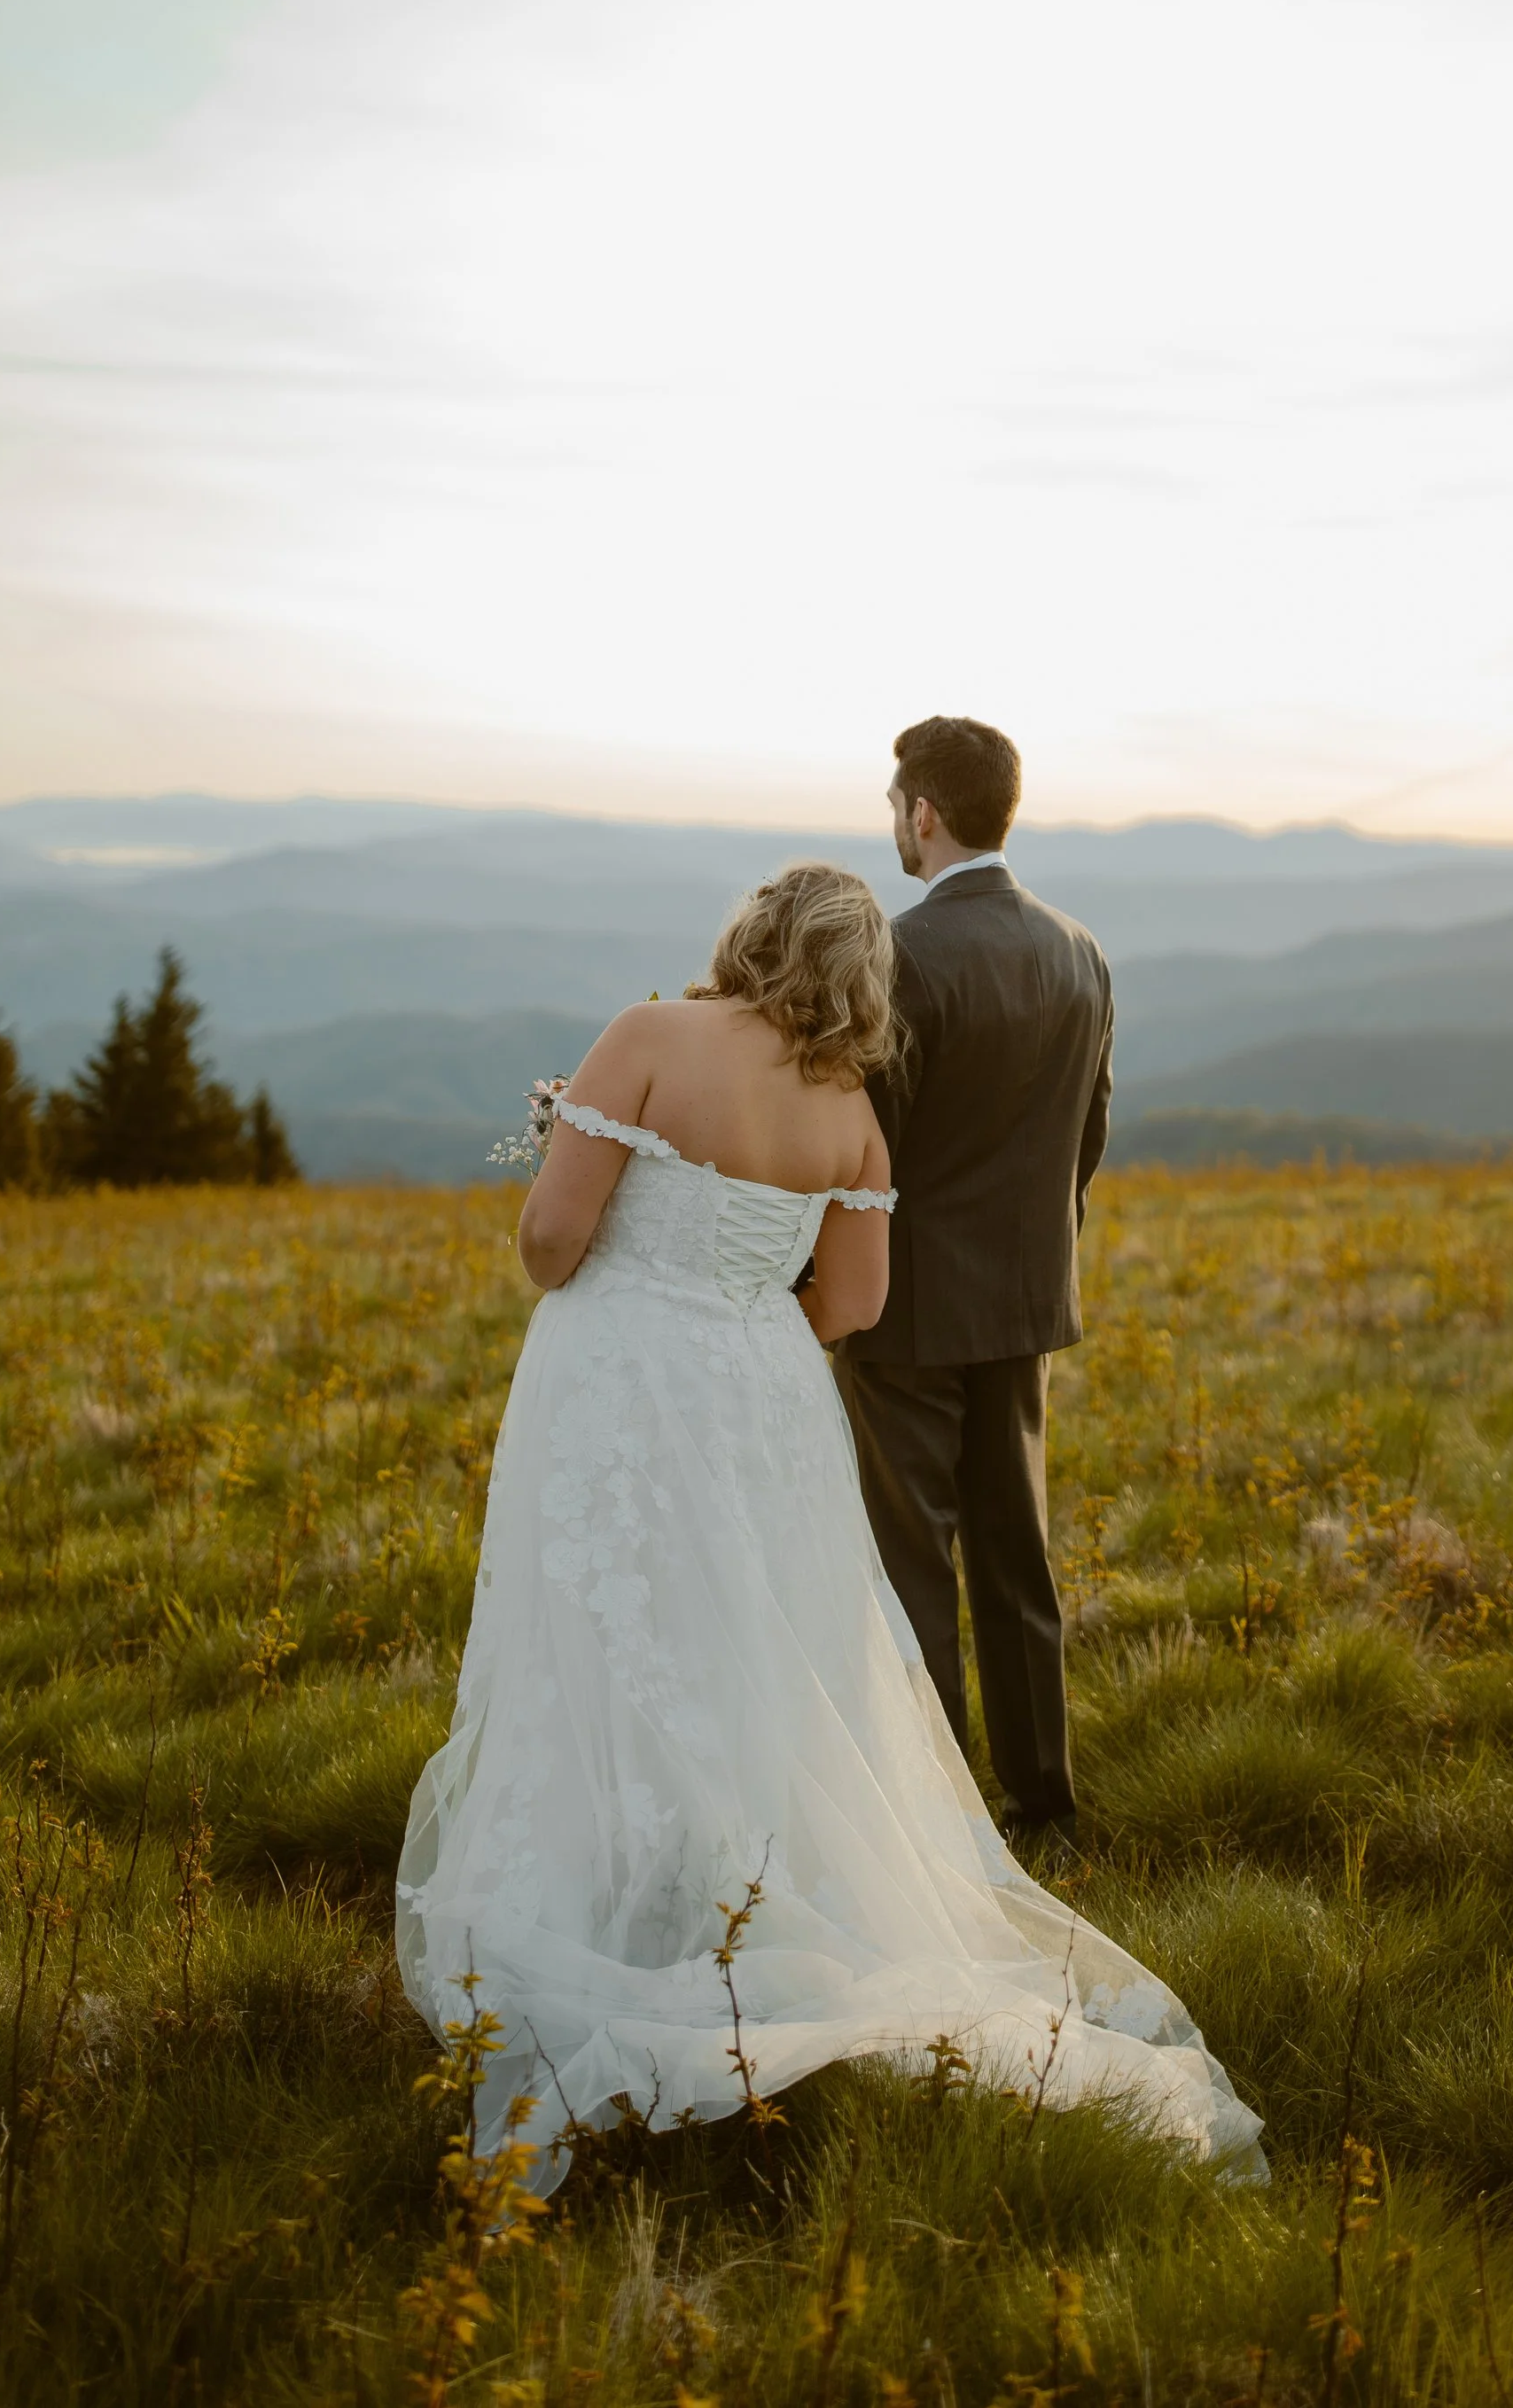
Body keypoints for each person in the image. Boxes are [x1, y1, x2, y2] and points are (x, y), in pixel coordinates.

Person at [396, 859, 1263, 2185]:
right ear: (865, 975)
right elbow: (853, 1304)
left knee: (601, 1625)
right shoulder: (852, 1115)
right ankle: (749, 1891)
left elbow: (550, 1241)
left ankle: (607, 1895)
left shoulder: (646, 1035)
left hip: (616, 1380)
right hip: (767, 1403)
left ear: (750, 934)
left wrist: (636, 1263)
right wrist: (743, 1326)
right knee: (759, 1647)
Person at [836, 717, 1109, 1843]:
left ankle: (943, 1826)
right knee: (1015, 1555)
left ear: (925, 813)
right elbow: (1085, 1136)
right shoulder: (1079, 950)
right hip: (1026, 1299)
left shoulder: (895, 956)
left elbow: (868, 1150)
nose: (893, 826)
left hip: (904, 1309)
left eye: (894, 807)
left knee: (913, 1565)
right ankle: (1043, 1802)